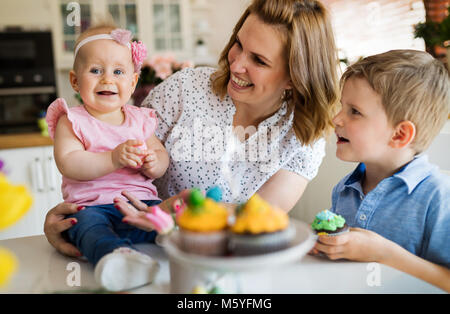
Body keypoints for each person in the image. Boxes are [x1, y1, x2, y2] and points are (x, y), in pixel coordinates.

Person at [44, 0, 340, 261]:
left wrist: (186, 211)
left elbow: (263, 217)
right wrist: (78, 222)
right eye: (238, 44)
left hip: (223, 264)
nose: (236, 64)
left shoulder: (303, 136)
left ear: (294, 76)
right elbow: (109, 161)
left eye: (259, 60)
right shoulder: (185, 89)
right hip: (141, 246)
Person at [311, 50, 450, 292]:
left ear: (399, 135)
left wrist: (384, 254)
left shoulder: (439, 197)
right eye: (342, 107)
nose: (337, 119)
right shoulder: (344, 190)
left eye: (354, 111)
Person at [45, 24, 170, 291]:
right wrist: (113, 159)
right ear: (75, 81)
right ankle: (119, 259)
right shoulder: (73, 120)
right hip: (92, 208)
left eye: (118, 72)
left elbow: (161, 155)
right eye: (95, 70)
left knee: (166, 218)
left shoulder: (140, 119)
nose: (107, 79)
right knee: (89, 229)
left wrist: (154, 163)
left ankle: (182, 246)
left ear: (133, 82)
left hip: (141, 205)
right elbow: (68, 162)